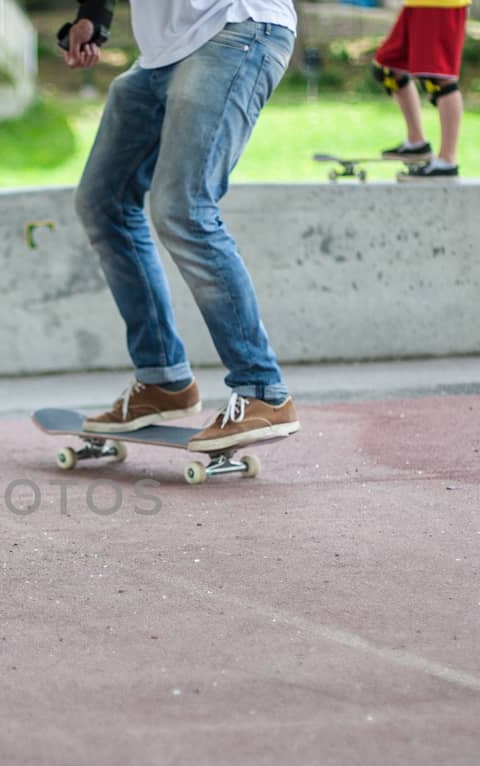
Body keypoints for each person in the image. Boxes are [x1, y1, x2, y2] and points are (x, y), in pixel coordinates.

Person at [62, 0, 301, 452]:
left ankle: (262, 391)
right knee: (102, 201)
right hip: (161, 53)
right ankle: (162, 380)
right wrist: (93, 15)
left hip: (237, 29)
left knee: (183, 207)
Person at [372, 0, 468, 180]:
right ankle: (417, 143)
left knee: (439, 77)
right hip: (416, 3)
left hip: (441, 5)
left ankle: (447, 161)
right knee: (388, 69)